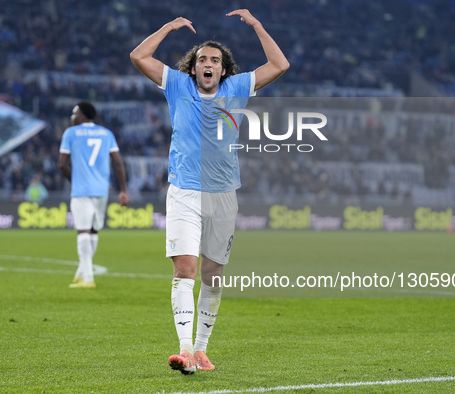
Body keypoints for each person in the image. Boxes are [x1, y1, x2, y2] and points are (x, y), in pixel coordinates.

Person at [130, 9, 289, 374]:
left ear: (222, 69)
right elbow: (138, 57)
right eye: (202, 59)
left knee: (213, 277)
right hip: (184, 191)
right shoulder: (177, 84)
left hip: (223, 196)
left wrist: (258, 26)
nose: (208, 64)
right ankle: (185, 350)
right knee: (185, 271)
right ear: (193, 66)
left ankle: (201, 350)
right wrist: (169, 26)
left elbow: (279, 64)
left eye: (215, 60)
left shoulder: (236, 88)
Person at [59, 101, 129, 289]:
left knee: (83, 231)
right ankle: (82, 272)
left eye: (74, 114)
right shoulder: (106, 133)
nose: (72, 117)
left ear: (82, 116)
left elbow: (62, 165)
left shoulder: (70, 133)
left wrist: (75, 182)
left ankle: (88, 278)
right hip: (101, 190)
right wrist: (123, 190)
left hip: (81, 191)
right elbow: (117, 162)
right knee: (94, 231)